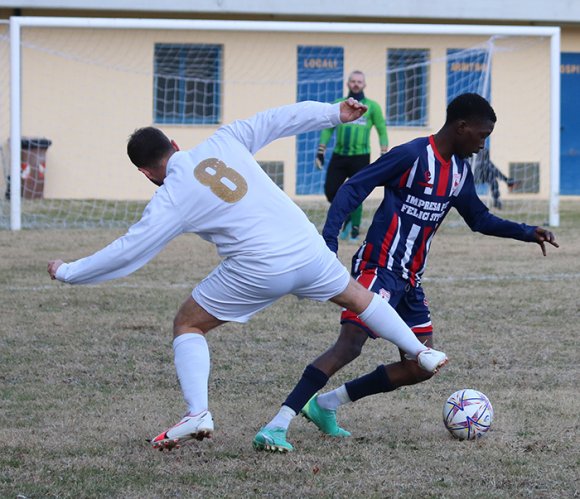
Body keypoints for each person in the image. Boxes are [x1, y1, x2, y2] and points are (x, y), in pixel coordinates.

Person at [47, 98, 448, 453]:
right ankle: (420, 350)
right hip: (306, 247)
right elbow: (279, 118)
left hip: (260, 266)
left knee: (188, 324)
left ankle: (198, 413)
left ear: (146, 173)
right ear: (174, 145)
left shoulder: (169, 196)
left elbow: (129, 249)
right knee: (358, 297)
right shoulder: (225, 139)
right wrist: (333, 113)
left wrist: (68, 271)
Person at [254, 93, 558, 452]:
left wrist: (526, 231)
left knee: (421, 366)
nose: (482, 144)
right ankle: (278, 423)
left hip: (410, 281)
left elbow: (479, 218)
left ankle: (325, 405)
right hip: (378, 269)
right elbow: (355, 186)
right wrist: (329, 240)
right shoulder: (412, 155)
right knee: (350, 345)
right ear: (461, 127)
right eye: (481, 134)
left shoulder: (460, 172)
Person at [315, 70, 388, 242]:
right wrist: (321, 150)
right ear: (348, 84)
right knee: (330, 190)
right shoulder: (338, 104)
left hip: (360, 156)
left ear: (364, 85)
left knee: (356, 192)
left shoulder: (373, 107)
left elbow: (382, 129)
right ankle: (347, 217)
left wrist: (384, 152)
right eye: (353, 81)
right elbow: (328, 127)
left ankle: (355, 230)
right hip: (339, 155)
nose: (356, 84)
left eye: (359, 81)